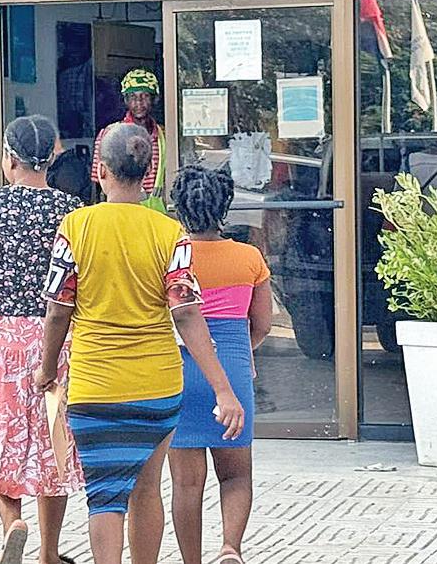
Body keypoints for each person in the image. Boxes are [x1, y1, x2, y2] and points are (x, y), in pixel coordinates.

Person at [35, 123, 245, 564]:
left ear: (100, 170)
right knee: (147, 488)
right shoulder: (170, 233)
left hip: (95, 386)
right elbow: (186, 313)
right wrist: (223, 389)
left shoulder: (76, 226)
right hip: (157, 386)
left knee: (104, 496)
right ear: (149, 174)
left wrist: (47, 368)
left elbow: (58, 308)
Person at [0, 115, 84, 564]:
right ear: (51, 158)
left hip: (0, 344)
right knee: (50, 441)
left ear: (9, 158)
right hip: (54, 340)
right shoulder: (70, 209)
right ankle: (49, 553)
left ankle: (12, 524)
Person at [167, 165, 273, 564]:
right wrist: (242, 351)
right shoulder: (249, 258)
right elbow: (262, 325)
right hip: (232, 369)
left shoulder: (172, 258)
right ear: (224, 206)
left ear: (180, 207)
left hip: (181, 369)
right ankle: (230, 547)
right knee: (236, 474)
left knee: (185, 484)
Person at [89, 68, 166, 199]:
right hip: (121, 208)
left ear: (155, 99)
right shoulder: (109, 134)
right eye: (132, 97)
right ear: (125, 100)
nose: (139, 102)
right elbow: (98, 183)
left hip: (155, 210)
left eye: (145, 96)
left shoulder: (163, 135)